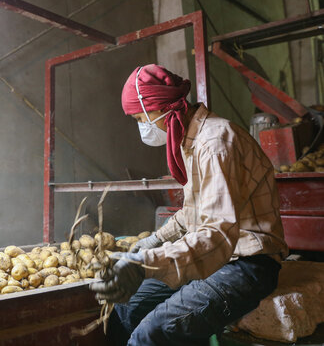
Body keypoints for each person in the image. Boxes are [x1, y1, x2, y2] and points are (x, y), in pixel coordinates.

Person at [90, 64, 288, 346]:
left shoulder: (215, 142)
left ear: (159, 109)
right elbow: (193, 213)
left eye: (139, 118)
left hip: (247, 264)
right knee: (127, 307)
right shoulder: (190, 141)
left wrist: (143, 265)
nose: (141, 127)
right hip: (217, 257)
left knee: (151, 334)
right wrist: (153, 242)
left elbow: (217, 237)